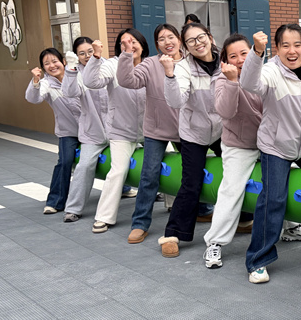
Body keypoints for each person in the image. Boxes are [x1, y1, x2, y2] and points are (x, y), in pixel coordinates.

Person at [240, 24, 301, 283]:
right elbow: (248, 83)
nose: (292, 51)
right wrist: (257, 52)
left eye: (297, 44)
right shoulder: (270, 70)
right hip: (276, 146)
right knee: (273, 198)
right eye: (285, 45)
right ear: (277, 49)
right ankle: (257, 259)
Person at [157, 22, 223, 257]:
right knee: (191, 181)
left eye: (201, 37)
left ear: (210, 37)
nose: (198, 43)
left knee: (238, 171)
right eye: (191, 41)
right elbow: (175, 101)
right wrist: (169, 74)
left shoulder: (225, 62)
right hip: (194, 132)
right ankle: (174, 232)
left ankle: (245, 218)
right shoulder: (183, 67)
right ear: (185, 46)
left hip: (223, 129)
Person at [116, 24, 183, 244]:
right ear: (156, 45)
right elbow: (127, 81)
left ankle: (202, 209)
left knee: (193, 172)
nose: (167, 42)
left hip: (187, 129)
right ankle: (140, 223)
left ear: (179, 39)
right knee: (149, 175)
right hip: (156, 129)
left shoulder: (190, 63)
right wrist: (127, 54)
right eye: (161, 39)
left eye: (171, 37)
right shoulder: (150, 63)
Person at [81, 31, 148, 233]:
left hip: (151, 130)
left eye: (133, 41)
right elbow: (91, 82)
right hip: (121, 131)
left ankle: (171, 202)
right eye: (123, 43)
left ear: (142, 44)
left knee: (165, 162)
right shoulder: (113, 65)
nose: (129, 46)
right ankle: (104, 216)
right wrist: (95, 57)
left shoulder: (150, 65)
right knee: (118, 170)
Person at [25, 48, 81, 214]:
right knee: (65, 161)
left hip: (91, 129)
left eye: (55, 61)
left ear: (63, 61)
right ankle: (55, 201)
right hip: (68, 132)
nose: (52, 65)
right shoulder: (46, 84)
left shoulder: (77, 76)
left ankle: (123, 188)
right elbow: (33, 98)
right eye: (47, 63)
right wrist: (35, 81)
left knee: (106, 157)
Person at [61, 36, 109, 222]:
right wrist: (70, 69)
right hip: (92, 133)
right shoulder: (77, 73)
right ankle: (73, 208)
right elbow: (69, 92)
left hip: (119, 130)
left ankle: (159, 195)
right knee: (84, 166)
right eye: (82, 53)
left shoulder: (108, 66)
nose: (87, 56)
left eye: (90, 51)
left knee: (150, 156)